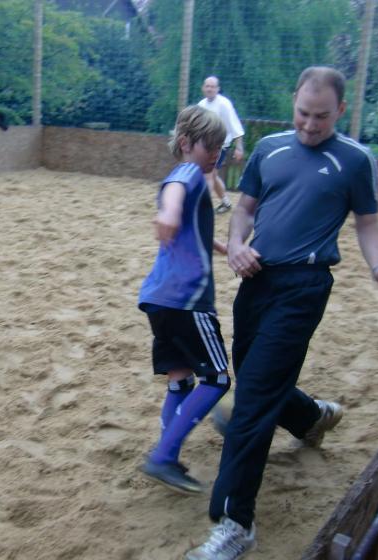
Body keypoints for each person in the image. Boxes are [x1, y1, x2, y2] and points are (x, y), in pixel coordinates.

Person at [186, 67, 378, 560]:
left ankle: (234, 521)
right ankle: (312, 417)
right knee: (253, 375)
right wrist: (236, 247)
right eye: (302, 114)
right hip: (256, 279)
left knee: (249, 404)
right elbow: (245, 208)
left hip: (305, 286)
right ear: (293, 102)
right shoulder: (271, 149)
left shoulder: (356, 160)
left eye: (321, 116)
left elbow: (369, 222)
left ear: (341, 111)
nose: (310, 125)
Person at [138, 105, 231, 494]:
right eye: (209, 145)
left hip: (158, 299)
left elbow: (186, 224)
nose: (215, 153)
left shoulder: (196, 176)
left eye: (220, 147)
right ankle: (163, 456)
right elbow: (175, 188)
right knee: (218, 378)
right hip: (188, 300)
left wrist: (215, 244)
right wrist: (170, 211)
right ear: (185, 143)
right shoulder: (189, 172)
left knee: (180, 379)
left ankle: (167, 455)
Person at [198, 76, 245, 214]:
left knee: (208, 175)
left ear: (218, 89)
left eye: (213, 86)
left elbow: (235, 125)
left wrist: (239, 147)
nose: (210, 89)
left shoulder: (224, 104)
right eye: (207, 86)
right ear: (203, 88)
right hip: (206, 146)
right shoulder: (201, 105)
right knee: (211, 175)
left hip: (220, 145)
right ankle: (225, 202)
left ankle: (203, 207)